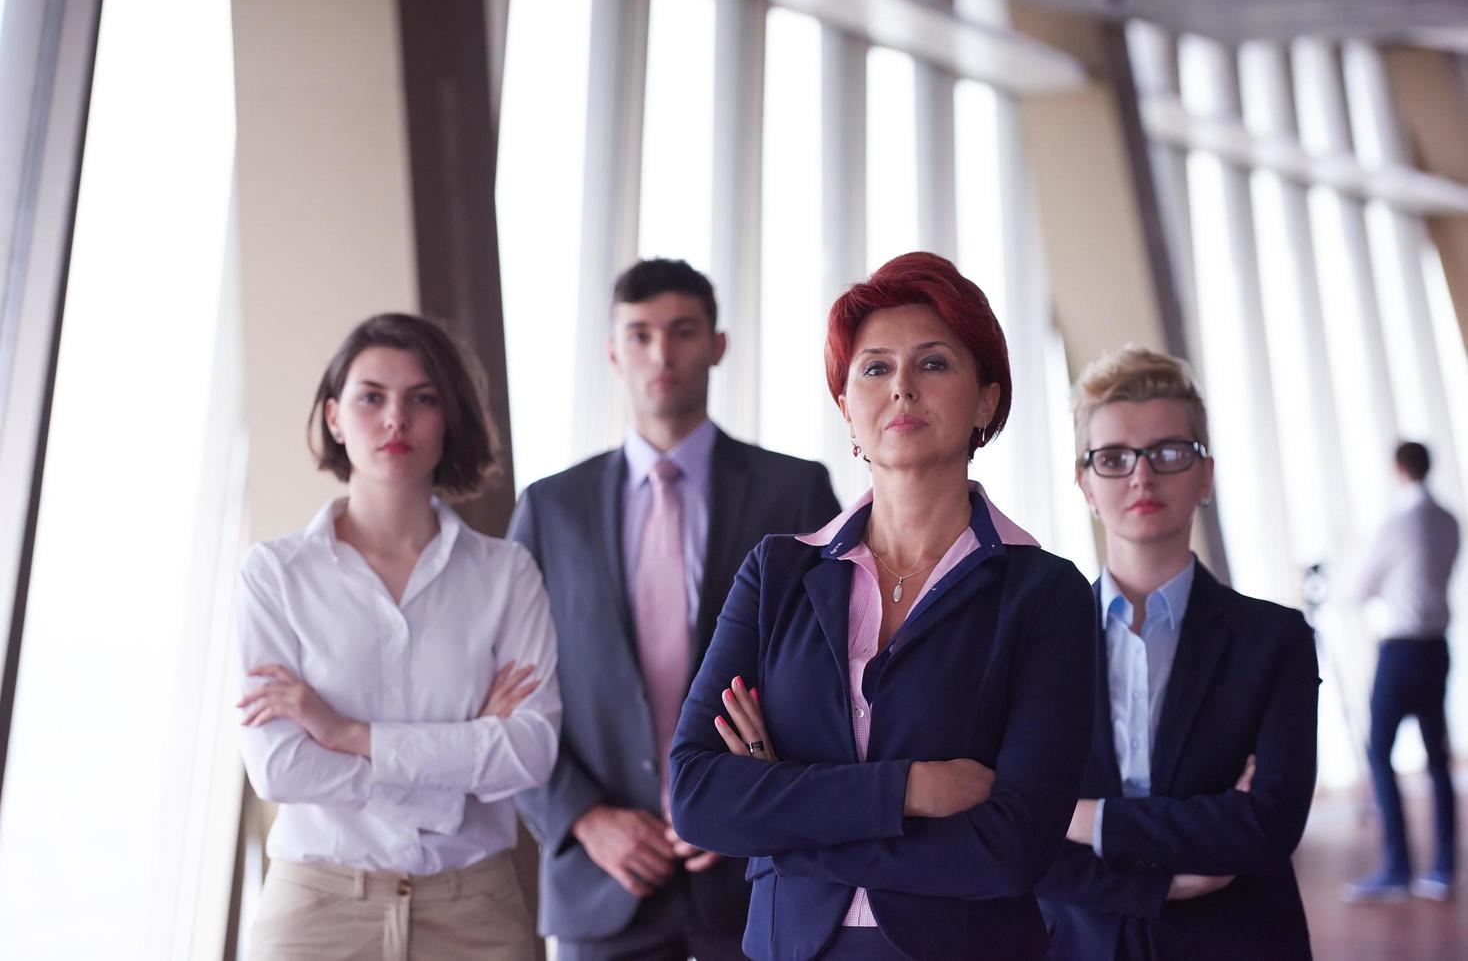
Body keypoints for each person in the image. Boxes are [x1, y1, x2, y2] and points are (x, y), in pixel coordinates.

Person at [668, 252, 1097, 960]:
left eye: (933, 364)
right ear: (846, 409)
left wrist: (784, 822)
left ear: (986, 400)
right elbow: (697, 792)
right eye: (875, 368)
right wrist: (908, 789)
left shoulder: (1045, 595)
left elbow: (1010, 850)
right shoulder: (777, 573)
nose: (902, 388)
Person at [509, 258, 840, 960]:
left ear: (717, 345)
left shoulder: (797, 491)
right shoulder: (550, 509)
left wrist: (742, 797)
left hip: (755, 866)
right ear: (612, 352)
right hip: (603, 877)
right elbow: (505, 692)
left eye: (684, 331)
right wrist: (584, 818)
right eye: (640, 334)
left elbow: (834, 674)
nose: (662, 354)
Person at [236, 313, 560, 960]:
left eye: (423, 398)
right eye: (371, 397)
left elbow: (530, 751)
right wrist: (458, 767)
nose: (395, 420)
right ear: (334, 418)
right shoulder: (274, 574)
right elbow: (279, 766)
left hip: (477, 915)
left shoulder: (507, 573)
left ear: (450, 418)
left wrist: (350, 736)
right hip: (317, 912)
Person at [1035, 346, 1319, 960]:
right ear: (1084, 482)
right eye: (1113, 458)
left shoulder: (1275, 640)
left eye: (1168, 452)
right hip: (1077, 942)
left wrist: (1080, 818)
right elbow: (1012, 839)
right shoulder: (1033, 642)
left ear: (1205, 475)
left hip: (1238, 941)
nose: (1141, 476)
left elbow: (1267, 826)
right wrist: (1167, 878)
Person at [1342, 441, 1460, 903]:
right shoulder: (1449, 519)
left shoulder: (1399, 522)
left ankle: (1397, 867)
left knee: (1380, 755)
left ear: (1399, 469)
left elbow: (1360, 587)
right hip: (1437, 647)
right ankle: (1445, 867)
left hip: (1401, 650)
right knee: (1437, 759)